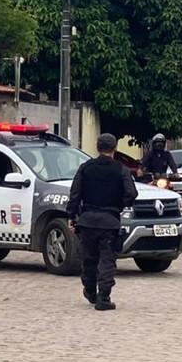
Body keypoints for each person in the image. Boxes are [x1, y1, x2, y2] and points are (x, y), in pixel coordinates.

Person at [67, 133, 137, 311]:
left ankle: (90, 291)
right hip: (109, 221)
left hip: (88, 220)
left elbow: (75, 194)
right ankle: (103, 297)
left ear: (97, 148)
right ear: (115, 148)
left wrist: (71, 216)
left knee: (89, 258)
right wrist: (120, 205)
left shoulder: (85, 168)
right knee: (107, 259)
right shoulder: (121, 169)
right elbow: (131, 193)